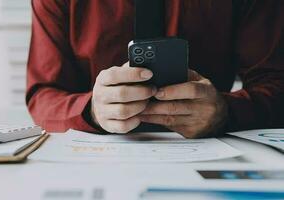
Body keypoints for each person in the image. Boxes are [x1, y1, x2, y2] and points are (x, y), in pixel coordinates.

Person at [26, 0, 284, 138]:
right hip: (95, 153)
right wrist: (92, 110)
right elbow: (43, 95)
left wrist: (225, 112)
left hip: (216, 148)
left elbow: (276, 84)